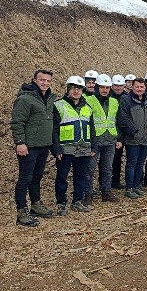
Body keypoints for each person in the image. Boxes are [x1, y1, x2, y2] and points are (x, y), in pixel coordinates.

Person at [10, 69, 56, 226]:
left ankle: (35, 205)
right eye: (42, 80)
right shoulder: (25, 99)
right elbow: (17, 122)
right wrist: (20, 142)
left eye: (48, 81)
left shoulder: (49, 98)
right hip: (29, 146)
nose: (45, 83)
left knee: (37, 178)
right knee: (25, 179)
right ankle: (21, 212)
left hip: (43, 145)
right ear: (34, 80)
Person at [52, 76, 95, 215]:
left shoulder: (87, 108)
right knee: (62, 176)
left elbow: (92, 129)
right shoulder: (58, 105)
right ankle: (61, 203)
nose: (76, 91)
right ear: (68, 89)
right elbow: (53, 129)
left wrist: (93, 146)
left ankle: (77, 201)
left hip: (83, 148)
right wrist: (56, 148)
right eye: (73, 88)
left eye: (79, 89)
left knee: (80, 176)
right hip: (65, 149)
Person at [85, 74, 120, 204]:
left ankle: (106, 191)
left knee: (107, 168)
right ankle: (87, 194)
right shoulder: (89, 101)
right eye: (102, 87)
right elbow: (87, 122)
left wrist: (118, 138)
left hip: (110, 139)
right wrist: (90, 141)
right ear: (97, 87)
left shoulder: (114, 102)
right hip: (95, 141)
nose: (105, 90)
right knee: (90, 168)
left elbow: (116, 121)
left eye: (107, 87)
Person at [117, 77, 147, 199]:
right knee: (132, 163)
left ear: (144, 88)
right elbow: (123, 119)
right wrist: (134, 133)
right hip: (132, 138)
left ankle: (137, 185)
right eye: (137, 86)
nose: (139, 89)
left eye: (142, 87)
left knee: (140, 163)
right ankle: (129, 188)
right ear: (132, 87)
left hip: (145, 138)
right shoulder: (126, 100)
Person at [110, 75, 127, 190]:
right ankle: (105, 182)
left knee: (119, 158)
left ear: (124, 86)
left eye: (120, 85)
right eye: (116, 85)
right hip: (112, 132)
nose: (118, 87)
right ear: (112, 86)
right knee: (111, 159)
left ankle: (115, 181)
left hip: (126, 132)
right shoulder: (108, 97)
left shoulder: (127, 97)